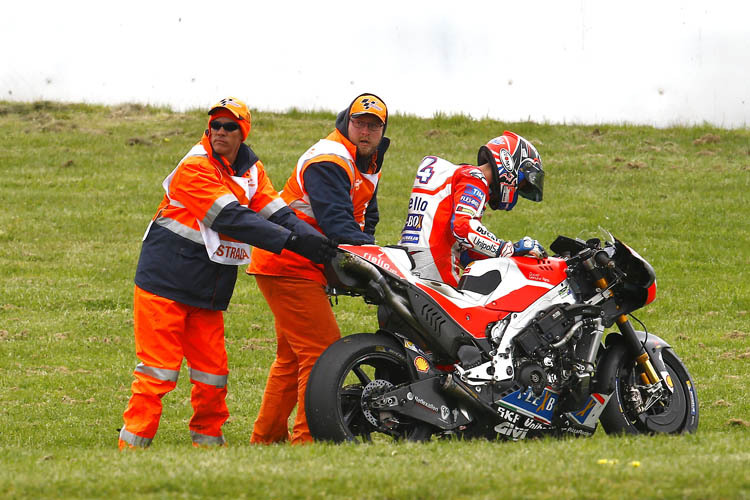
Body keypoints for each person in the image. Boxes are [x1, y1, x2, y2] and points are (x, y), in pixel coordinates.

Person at [118, 97, 337, 450]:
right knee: (158, 373)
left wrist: (324, 247)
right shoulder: (195, 167)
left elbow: (279, 214)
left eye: (229, 126)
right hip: (164, 284)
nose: (220, 131)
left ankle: (208, 448)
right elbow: (231, 218)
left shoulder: (251, 171)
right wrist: (295, 243)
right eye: (215, 125)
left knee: (213, 375)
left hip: (207, 289)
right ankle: (132, 449)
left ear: (243, 132)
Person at [247, 93, 389, 445]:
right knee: (322, 352)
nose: (366, 130)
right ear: (347, 122)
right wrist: (378, 259)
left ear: (382, 130)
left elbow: (367, 215)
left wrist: (366, 246)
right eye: (360, 123)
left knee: (292, 358)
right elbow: (338, 226)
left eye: (374, 125)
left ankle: (266, 441)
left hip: (291, 261)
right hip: (289, 262)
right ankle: (308, 441)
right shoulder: (330, 159)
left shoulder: (368, 160)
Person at [398, 131, 546, 287]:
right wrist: (510, 249)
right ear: (510, 164)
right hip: (435, 276)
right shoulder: (474, 178)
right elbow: (464, 228)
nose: (516, 190)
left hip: (405, 265)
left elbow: (465, 251)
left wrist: (509, 260)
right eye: (521, 184)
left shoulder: (451, 176)